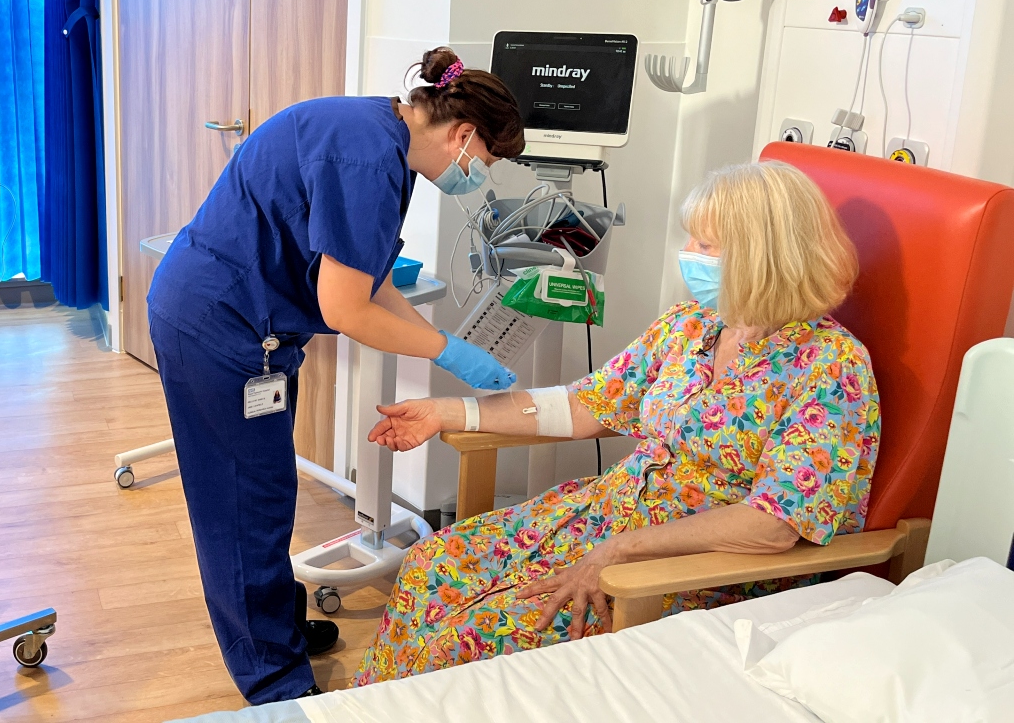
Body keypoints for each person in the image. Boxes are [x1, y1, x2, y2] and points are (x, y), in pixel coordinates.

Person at [353, 159, 879, 683]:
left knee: (479, 637)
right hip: (606, 516)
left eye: (707, 245)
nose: (688, 256)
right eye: (691, 240)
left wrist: (621, 551)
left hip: (691, 565)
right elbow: (586, 405)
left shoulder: (829, 365)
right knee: (429, 565)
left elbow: (774, 523)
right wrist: (450, 411)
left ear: (765, 256)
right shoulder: (689, 325)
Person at [146, 48, 526, 704]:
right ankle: (275, 684)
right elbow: (344, 308)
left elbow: (372, 281)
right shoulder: (369, 157)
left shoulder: (382, 139)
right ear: (463, 135)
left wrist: (449, 345)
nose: (477, 178)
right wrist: (447, 353)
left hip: (240, 321)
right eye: (484, 165)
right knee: (243, 508)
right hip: (218, 326)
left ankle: (277, 634)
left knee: (264, 497)